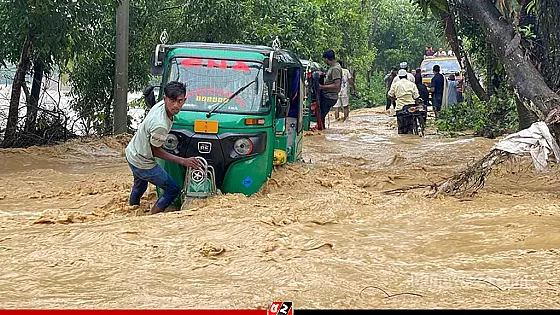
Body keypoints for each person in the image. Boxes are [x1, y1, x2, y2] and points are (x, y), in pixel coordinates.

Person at [125, 81, 202, 215]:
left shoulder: (160, 105)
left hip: (132, 152)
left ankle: (132, 210)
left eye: (179, 101)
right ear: (165, 99)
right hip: (143, 161)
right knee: (173, 189)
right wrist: (183, 161)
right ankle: (152, 217)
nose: (176, 105)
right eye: (172, 101)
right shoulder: (160, 125)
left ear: (185, 100)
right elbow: (157, 151)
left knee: (140, 186)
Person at [388, 69, 420, 134]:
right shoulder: (412, 84)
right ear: (406, 76)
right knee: (410, 128)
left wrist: (395, 99)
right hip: (410, 108)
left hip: (400, 109)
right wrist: (417, 106)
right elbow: (416, 97)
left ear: (399, 77)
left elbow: (389, 95)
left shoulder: (395, 84)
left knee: (401, 128)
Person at [318, 49, 342, 128]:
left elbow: (336, 85)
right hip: (328, 95)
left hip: (329, 96)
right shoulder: (333, 67)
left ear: (327, 59)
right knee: (321, 117)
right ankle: (321, 134)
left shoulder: (335, 69)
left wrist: (322, 87)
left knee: (320, 116)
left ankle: (321, 132)